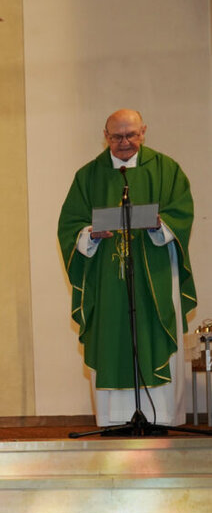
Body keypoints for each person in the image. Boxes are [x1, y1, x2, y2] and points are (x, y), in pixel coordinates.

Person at [57, 109, 196, 427]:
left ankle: (160, 417)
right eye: (117, 136)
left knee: (154, 331)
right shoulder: (88, 176)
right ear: (105, 136)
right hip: (107, 280)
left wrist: (161, 225)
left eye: (131, 135)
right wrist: (89, 234)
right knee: (110, 336)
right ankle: (115, 418)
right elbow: (69, 224)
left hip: (156, 274)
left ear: (144, 132)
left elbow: (181, 212)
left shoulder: (166, 170)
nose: (125, 142)